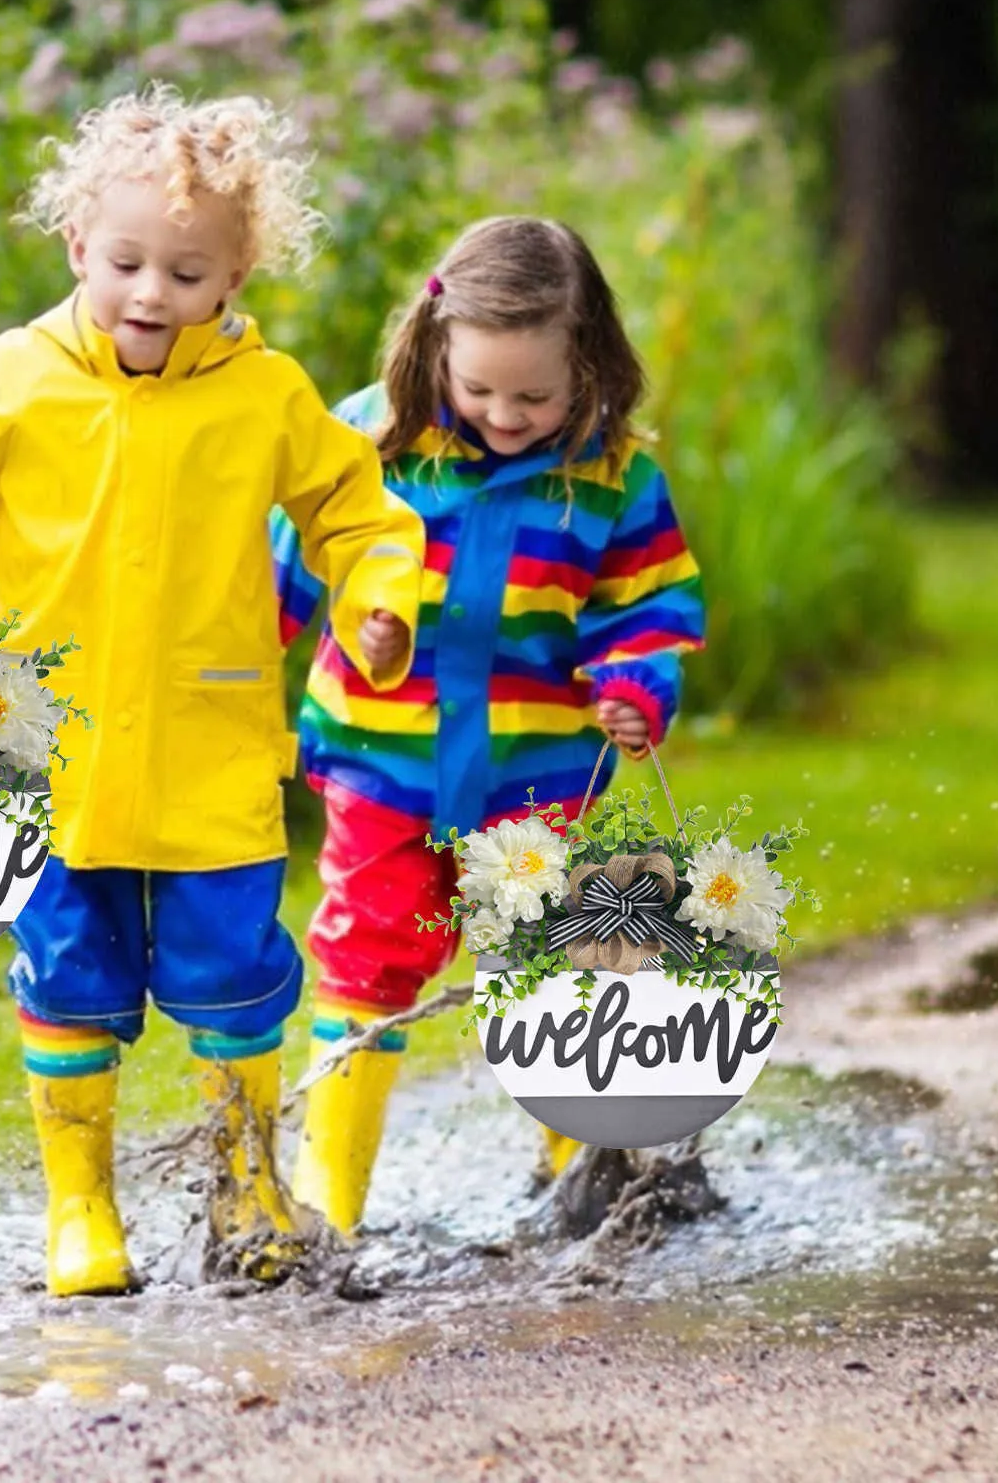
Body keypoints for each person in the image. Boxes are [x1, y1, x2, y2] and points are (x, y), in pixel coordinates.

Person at [0, 84, 424, 1295]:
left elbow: (358, 511)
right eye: (125, 262)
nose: (151, 293)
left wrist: (379, 600)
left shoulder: (265, 397)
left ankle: (245, 1188)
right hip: (47, 760)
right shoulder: (11, 377)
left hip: (209, 749)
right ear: (76, 247)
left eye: (187, 271)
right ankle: (81, 1209)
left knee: (231, 976)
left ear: (235, 276)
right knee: (66, 977)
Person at [272, 215, 706, 1235]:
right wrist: (240, 676)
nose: (504, 415)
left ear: (587, 362)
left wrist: (634, 689)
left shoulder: (612, 479)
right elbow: (275, 575)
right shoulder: (370, 442)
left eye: (534, 395)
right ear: (435, 347)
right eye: (478, 390)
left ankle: (580, 1176)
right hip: (383, 767)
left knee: (545, 959)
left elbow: (649, 609)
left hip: (536, 774)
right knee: (366, 956)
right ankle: (329, 1195)